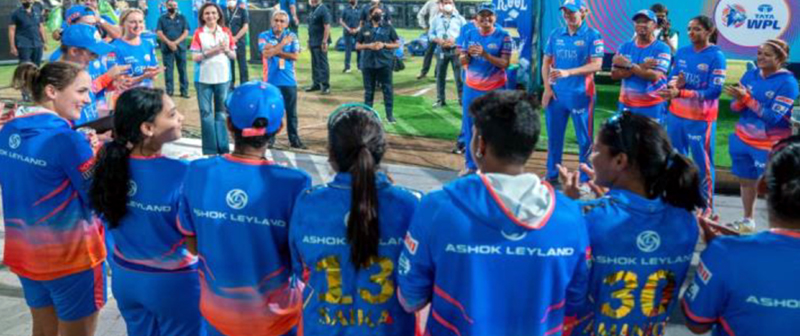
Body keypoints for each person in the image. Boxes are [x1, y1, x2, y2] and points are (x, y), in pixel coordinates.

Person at [397, 90, 590, 335]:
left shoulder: (437, 207)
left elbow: (410, 298)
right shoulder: (570, 217)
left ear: (480, 145)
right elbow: (577, 301)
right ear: (530, 145)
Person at [177, 81, 310, 336]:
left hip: (217, 316)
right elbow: (300, 258)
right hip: (277, 321)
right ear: (279, 127)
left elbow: (191, 243)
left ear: (228, 124)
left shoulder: (198, 171)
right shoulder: (295, 183)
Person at [558, 111, 705, 336]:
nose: (590, 157)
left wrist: (568, 207)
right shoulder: (686, 221)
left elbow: (564, 292)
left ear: (620, 161)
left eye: (596, 150)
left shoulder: (584, 217)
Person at [289, 103, 420, 335]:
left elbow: (301, 271)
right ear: (382, 149)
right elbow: (418, 286)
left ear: (331, 153)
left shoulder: (308, 203)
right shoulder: (411, 204)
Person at [0, 61, 106, 336]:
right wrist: (99, 159)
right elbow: (98, 197)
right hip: (71, 259)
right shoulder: (68, 140)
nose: (87, 99)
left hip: (24, 253)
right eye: (81, 91)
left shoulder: (9, 131)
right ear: (51, 91)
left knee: (44, 330)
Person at [90, 88, 202, 336]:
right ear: (148, 128)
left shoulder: (109, 165)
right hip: (174, 283)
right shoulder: (183, 173)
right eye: (172, 114)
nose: (181, 118)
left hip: (126, 278)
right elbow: (195, 242)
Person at [682, 134, 800, 335]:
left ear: (761, 186)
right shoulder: (728, 252)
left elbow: (697, 322)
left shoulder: (725, 254)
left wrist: (721, 253)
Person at [724, 39, 798, 233]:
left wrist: (747, 99)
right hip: (742, 139)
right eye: (759, 53)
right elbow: (733, 106)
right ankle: (748, 220)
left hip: (769, 144)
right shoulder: (750, 75)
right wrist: (740, 101)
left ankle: (779, 228)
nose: (761, 58)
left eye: (767, 55)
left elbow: (773, 117)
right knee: (746, 180)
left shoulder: (788, 83)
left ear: (780, 58)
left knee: (772, 186)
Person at [658, 15, 726, 214]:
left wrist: (681, 92)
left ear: (708, 32)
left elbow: (714, 92)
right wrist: (673, 85)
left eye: (696, 29)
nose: (691, 33)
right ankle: (678, 201)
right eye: (689, 28)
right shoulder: (683, 52)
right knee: (676, 159)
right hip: (676, 115)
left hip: (700, 119)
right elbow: (673, 77)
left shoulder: (716, 56)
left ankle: (706, 206)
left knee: (702, 163)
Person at [542, 0, 604, 184]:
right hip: (556, 95)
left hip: (581, 95)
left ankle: (585, 178)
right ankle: (552, 174)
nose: (568, 15)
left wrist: (568, 72)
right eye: (565, 11)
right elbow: (546, 62)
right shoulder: (556, 34)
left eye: (572, 11)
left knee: (584, 140)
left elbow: (597, 65)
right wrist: (546, 88)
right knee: (554, 137)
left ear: (584, 12)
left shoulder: (593, 35)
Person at [458, 3, 512, 174]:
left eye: (490, 15)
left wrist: (485, 55)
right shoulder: (469, 33)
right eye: (483, 15)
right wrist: (465, 57)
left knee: (495, 127)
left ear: (495, 18)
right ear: (477, 18)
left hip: (495, 89)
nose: (486, 19)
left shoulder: (504, 36)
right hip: (472, 88)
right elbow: (462, 61)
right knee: (469, 127)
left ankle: (495, 166)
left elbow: (505, 63)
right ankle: (471, 165)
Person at [191, 2, 236, 155]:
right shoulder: (198, 33)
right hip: (203, 78)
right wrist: (214, 51)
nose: (210, 16)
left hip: (223, 78)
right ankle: (210, 150)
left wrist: (227, 50)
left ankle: (223, 149)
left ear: (218, 15)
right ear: (202, 17)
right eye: (207, 13)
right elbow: (195, 57)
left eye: (213, 13)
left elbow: (233, 55)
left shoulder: (226, 32)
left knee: (221, 114)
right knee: (206, 114)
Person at [611, 9, 672, 123]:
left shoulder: (662, 48)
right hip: (626, 104)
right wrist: (642, 66)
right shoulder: (625, 46)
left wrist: (628, 65)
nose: (641, 24)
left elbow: (654, 76)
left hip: (652, 105)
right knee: (626, 140)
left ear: (654, 25)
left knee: (650, 141)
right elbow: (614, 74)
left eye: (645, 21)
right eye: (638, 22)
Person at [258, 10, 306, 149]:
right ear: (272, 21)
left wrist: (275, 50)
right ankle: (270, 140)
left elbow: (295, 56)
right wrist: (284, 44)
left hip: (289, 81)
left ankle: (294, 140)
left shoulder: (292, 35)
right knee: (272, 112)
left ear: (286, 24)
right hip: (271, 81)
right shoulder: (264, 35)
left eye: (282, 21)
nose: (278, 23)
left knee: (292, 113)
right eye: (276, 20)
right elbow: (266, 54)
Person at [356, 5, 401, 124]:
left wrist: (384, 45)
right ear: (371, 15)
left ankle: (389, 115)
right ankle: (368, 116)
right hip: (368, 63)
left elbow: (397, 44)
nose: (379, 15)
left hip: (384, 62)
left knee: (387, 89)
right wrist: (369, 46)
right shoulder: (364, 28)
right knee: (369, 91)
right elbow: (357, 45)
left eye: (381, 13)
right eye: (376, 13)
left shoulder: (388, 27)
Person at [429, 0, 466, 108]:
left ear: (453, 4)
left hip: (456, 50)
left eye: (450, 3)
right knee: (440, 75)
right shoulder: (436, 19)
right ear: (441, 5)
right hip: (441, 49)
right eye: (445, 3)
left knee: (459, 76)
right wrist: (438, 40)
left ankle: (461, 100)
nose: (447, 5)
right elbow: (430, 34)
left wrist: (455, 40)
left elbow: (466, 34)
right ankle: (440, 100)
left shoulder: (460, 19)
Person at [156, 0, 191, 98]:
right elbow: (159, 32)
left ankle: (184, 91)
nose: (173, 7)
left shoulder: (182, 17)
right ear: (166, 6)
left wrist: (175, 42)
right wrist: (169, 43)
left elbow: (186, 32)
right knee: (168, 70)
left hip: (180, 48)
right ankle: (169, 91)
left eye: (175, 5)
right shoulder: (161, 18)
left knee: (182, 70)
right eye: (170, 5)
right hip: (166, 48)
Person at [415, 0, 448, 80]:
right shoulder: (431, 3)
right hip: (432, 32)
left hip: (443, 33)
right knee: (429, 53)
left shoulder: (449, 4)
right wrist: (424, 26)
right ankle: (423, 72)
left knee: (441, 53)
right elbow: (420, 14)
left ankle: (438, 73)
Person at [9, 0, 47, 65]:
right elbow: (11, 30)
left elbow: (41, 27)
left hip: (37, 43)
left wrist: (44, 42)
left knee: (36, 66)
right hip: (24, 44)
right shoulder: (16, 13)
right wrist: (12, 46)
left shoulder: (37, 10)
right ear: (21, 0)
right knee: (25, 66)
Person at [306, 0, 332, 94]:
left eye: (314, 0)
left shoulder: (323, 10)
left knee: (322, 64)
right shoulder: (312, 9)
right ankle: (316, 83)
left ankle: (325, 85)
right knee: (315, 63)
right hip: (313, 40)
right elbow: (311, 27)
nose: (312, 1)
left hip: (321, 41)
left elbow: (327, 26)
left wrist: (324, 41)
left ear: (317, 0)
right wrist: (309, 40)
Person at [223, 0, 250, 88]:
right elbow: (221, 27)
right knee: (229, 64)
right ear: (226, 0)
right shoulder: (222, 11)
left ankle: (245, 84)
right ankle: (230, 84)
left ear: (237, 0)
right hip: (227, 43)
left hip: (240, 42)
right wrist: (229, 39)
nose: (231, 1)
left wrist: (236, 38)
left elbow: (245, 26)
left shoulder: (242, 11)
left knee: (242, 64)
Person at [340, 0, 361, 73]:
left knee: (359, 49)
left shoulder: (360, 9)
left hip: (358, 32)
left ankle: (360, 67)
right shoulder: (345, 9)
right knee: (348, 50)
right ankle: (347, 67)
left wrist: (358, 29)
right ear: (349, 1)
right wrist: (348, 29)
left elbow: (362, 21)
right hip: (347, 31)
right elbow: (341, 21)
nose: (353, 1)